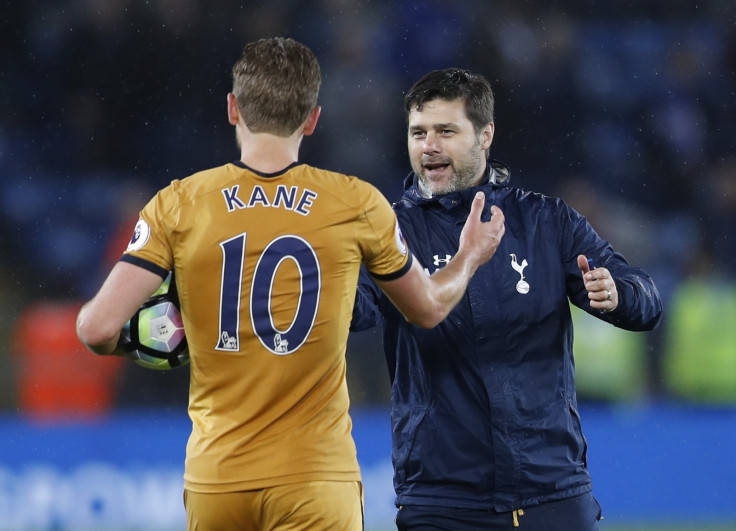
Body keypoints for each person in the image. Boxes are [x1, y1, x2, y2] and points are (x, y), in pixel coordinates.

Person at [76, 39, 505, 531]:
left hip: (219, 478)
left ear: (233, 108)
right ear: (313, 118)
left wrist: (148, 341)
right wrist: (469, 256)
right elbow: (427, 309)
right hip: (316, 479)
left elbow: (96, 328)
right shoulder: (356, 204)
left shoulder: (178, 203)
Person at [351, 68, 663, 530]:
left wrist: (620, 294)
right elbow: (353, 311)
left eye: (445, 131)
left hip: (553, 491)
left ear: (485, 134)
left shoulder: (545, 220)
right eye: (418, 133)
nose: (428, 146)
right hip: (442, 500)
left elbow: (647, 300)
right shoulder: (390, 232)